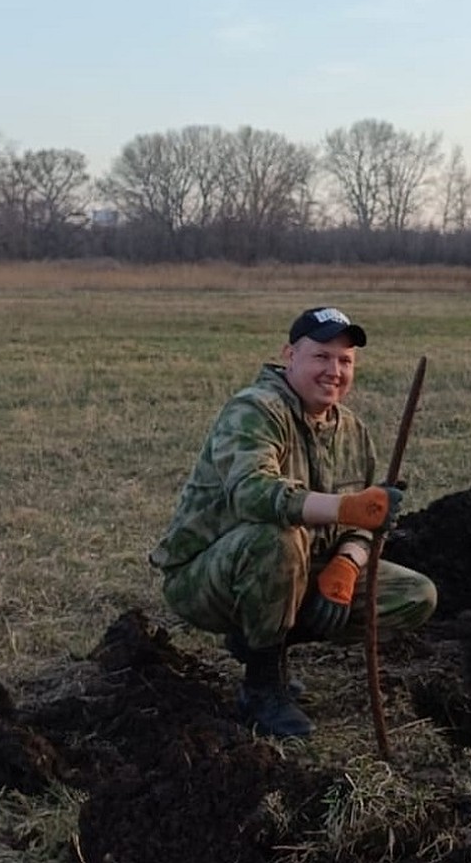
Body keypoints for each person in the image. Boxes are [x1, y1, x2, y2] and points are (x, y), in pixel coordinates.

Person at [149, 307, 437, 738]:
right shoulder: (255, 409)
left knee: (416, 595)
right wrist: (344, 508)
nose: (334, 371)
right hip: (207, 577)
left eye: (345, 361)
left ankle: (262, 638)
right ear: (289, 355)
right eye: (321, 357)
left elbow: (365, 520)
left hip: (302, 569)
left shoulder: (354, 432)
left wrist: (348, 564)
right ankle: (262, 688)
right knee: (277, 538)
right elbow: (252, 494)